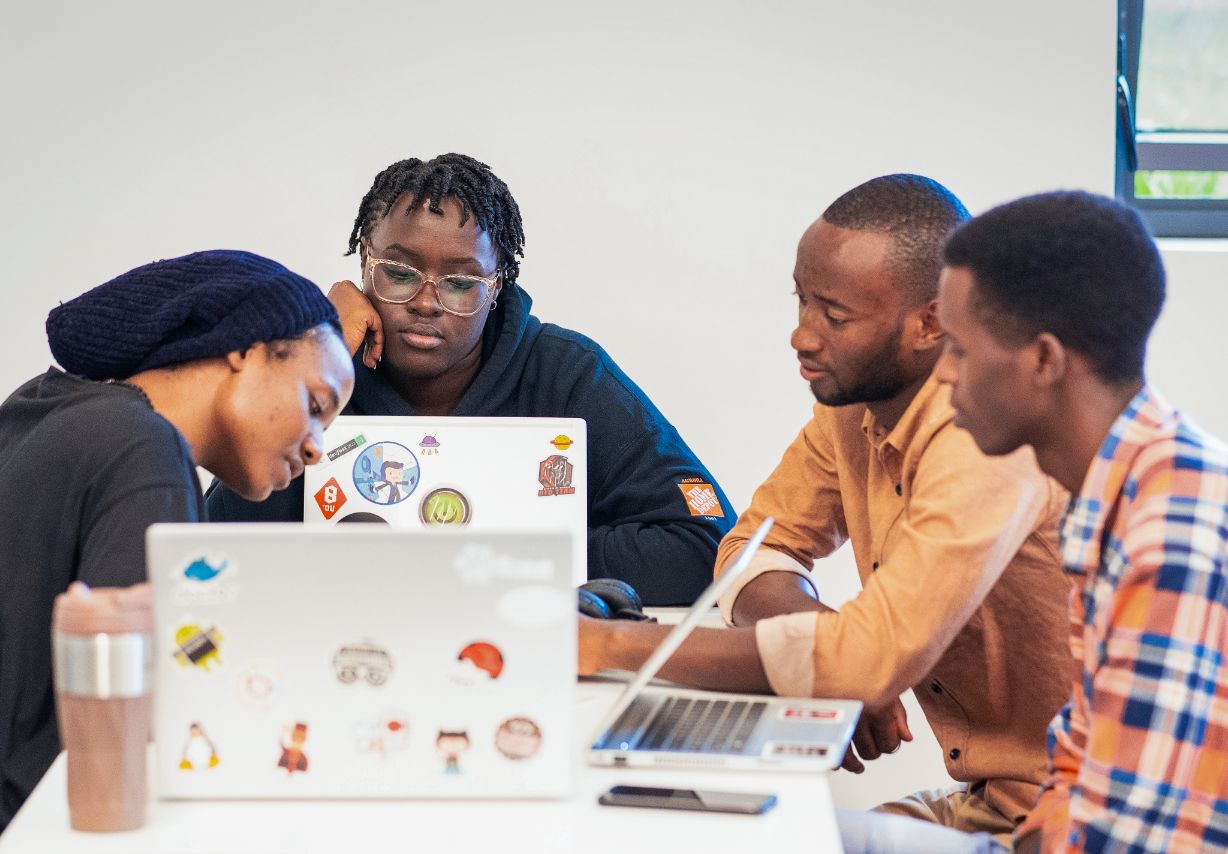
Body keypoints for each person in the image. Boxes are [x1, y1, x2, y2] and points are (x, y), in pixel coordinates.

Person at [577, 175, 1073, 848]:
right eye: (801, 300)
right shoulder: (849, 406)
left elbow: (864, 656)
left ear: (932, 321)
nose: (800, 336)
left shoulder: (982, 441)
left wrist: (611, 644)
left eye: (833, 316)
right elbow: (748, 552)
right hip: (988, 802)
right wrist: (840, 658)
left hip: (1061, 823)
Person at [205, 153, 733, 605]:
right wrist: (319, 352)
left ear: (497, 284)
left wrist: (506, 562)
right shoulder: (319, 367)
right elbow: (213, 550)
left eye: (460, 282)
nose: (427, 302)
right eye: (400, 272)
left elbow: (709, 541)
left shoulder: (567, 374)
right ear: (364, 263)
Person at [0, 250, 353, 831]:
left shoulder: (44, 406)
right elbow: (146, 717)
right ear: (246, 349)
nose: (316, 447)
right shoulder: (145, 451)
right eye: (315, 406)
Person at [936, 191, 1228, 852]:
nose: (942, 375)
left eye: (958, 349)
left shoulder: (1171, 525)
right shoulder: (1112, 497)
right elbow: (1076, 765)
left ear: (1044, 359)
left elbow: (1127, 838)